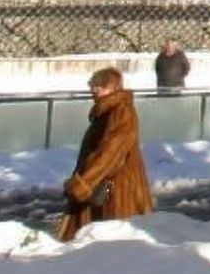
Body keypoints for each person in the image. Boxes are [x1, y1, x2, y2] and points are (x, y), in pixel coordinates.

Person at [58, 67, 154, 242]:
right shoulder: (106, 111)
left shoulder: (121, 111)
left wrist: (84, 183)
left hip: (116, 187)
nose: (95, 90)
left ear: (114, 88)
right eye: (94, 85)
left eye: (101, 86)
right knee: (96, 242)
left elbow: (110, 153)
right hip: (104, 183)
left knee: (114, 241)